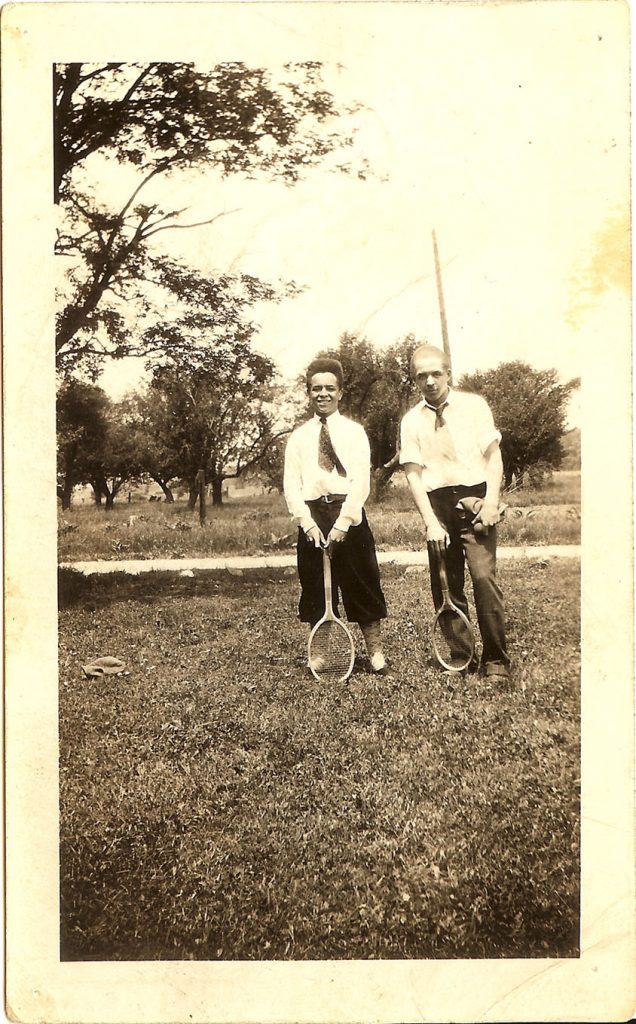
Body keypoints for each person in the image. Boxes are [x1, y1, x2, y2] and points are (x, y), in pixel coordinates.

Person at [399, 344, 510, 683]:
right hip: (437, 505)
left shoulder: (474, 406)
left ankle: (496, 662)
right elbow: (413, 474)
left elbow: (493, 457)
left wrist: (490, 502)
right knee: (446, 584)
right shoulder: (411, 420)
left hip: (475, 500)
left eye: (436, 373)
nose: (430, 381)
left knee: (483, 579)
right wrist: (430, 522)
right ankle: (462, 656)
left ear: (448, 373)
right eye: (422, 376)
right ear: (415, 380)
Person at [283, 357, 388, 674]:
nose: (323, 394)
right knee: (315, 587)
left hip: (348, 513)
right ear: (308, 393)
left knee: (363, 583)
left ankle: (376, 654)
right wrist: (307, 524)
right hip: (313, 515)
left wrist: (344, 523)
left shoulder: (354, 433)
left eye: (330, 388)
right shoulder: (299, 437)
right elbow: (291, 485)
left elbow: (361, 482)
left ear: (340, 392)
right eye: (316, 389)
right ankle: (321, 654)